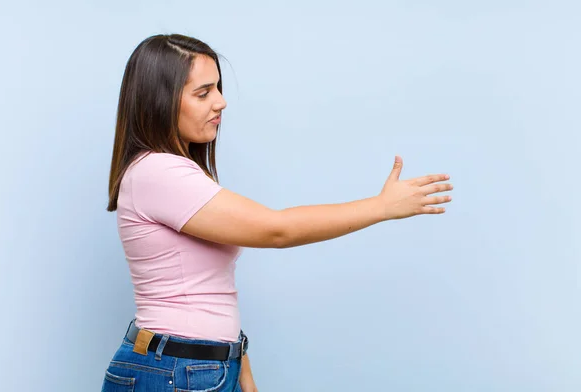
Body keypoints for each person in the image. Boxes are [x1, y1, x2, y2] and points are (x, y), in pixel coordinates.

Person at [100, 34, 453, 392]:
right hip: (175, 370)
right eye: (203, 93)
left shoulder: (175, 173)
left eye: (218, 88)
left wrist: (241, 367)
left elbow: (210, 289)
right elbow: (277, 230)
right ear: (161, 100)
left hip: (201, 367)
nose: (221, 102)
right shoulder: (157, 173)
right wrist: (380, 207)